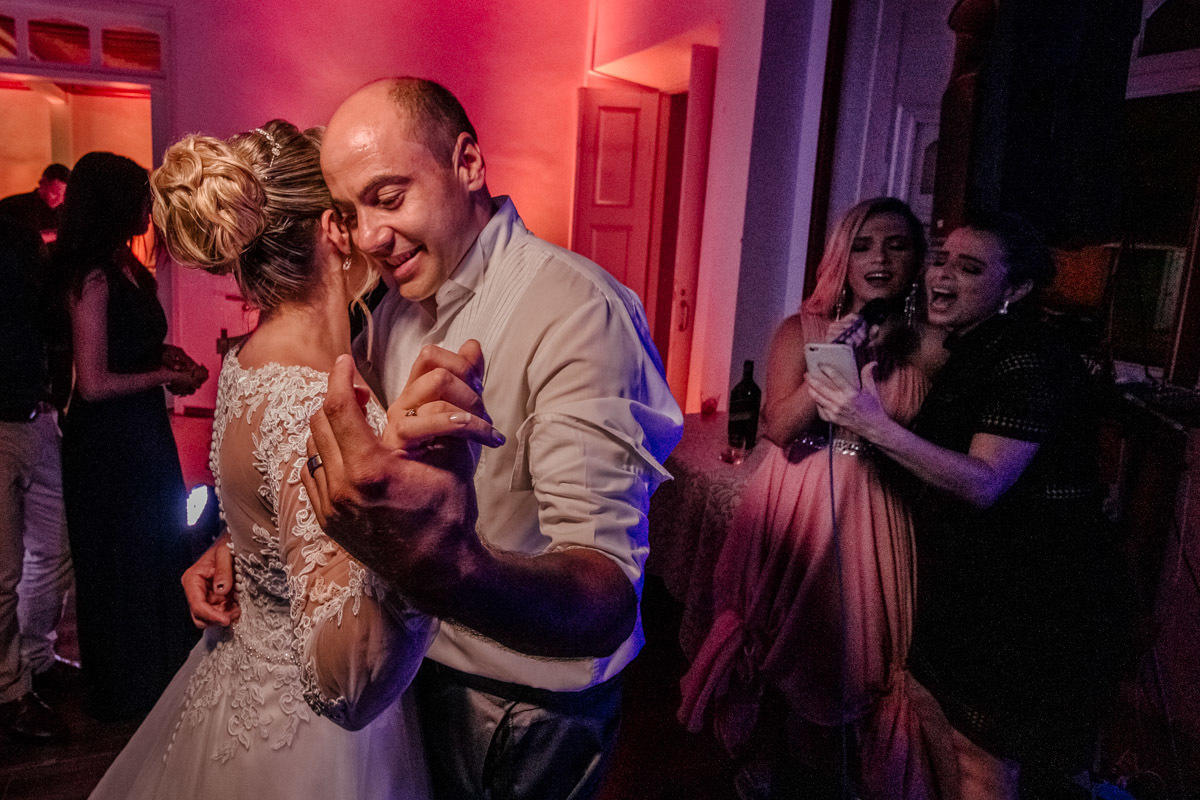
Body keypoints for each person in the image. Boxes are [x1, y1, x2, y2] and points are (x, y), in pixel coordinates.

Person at [180, 77, 682, 800]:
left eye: (389, 197)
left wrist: (444, 565)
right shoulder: (393, 305)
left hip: (517, 709)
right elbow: (349, 475)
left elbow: (606, 599)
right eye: (349, 213)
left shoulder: (576, 310)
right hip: (411, 684)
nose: (368, 237)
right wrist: (256, 546)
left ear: (468, 163)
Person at [89, 120, 510, 800]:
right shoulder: (312, 399)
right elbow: (340, 685)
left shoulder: (251, 358)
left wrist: (233, 546)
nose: (374, 231)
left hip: (246, 684)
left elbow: (273, 511)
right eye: (358, 209)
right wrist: (421, 551)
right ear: (334, 229)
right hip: (311, 742)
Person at [808, 212, 1121, 799]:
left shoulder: (1025, 357)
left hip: (1028, 592)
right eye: (942, 259)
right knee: (948, 740)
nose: (942, 276)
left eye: (970, 268)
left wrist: (872, 424)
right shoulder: (973, 347)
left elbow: (984, 483)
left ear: (1016, 288)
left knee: (982, 759)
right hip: (973, 578)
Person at [677, 198, 944, 799]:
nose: (880, 258)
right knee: (774, 641)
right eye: (864, 245)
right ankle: (761, 762)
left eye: (897, 245)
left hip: (877, 510)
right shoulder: (803, 329)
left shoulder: (930, 345)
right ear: (842, 257)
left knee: (859, 657)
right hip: (798, 502)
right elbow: (778, 426)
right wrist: (846, 348)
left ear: (916, 258)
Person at [56, 152, 208, 722]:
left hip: (141, 431)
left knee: (157, 547)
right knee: (120, 561)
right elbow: (93, 384)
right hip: (106, 443)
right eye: (142, 197)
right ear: (114, 204)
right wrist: (165, 377)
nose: (150, 207)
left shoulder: (125, 264)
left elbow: (128, 343)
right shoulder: (92, 277)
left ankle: (160, 675)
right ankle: (126, 690)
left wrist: (166, 355)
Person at [0, 217, 70, 743]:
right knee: (3, 573)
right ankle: (9, 694)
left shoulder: (17, 234)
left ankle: (34, 659)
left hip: (35, 415)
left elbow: (39, 324)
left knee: (57, 547)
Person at [0, 163, 70, 248]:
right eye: (54, 193)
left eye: (64, 195)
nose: (60, 200)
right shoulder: (11, 206)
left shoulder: (67, 212)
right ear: (42, 183)